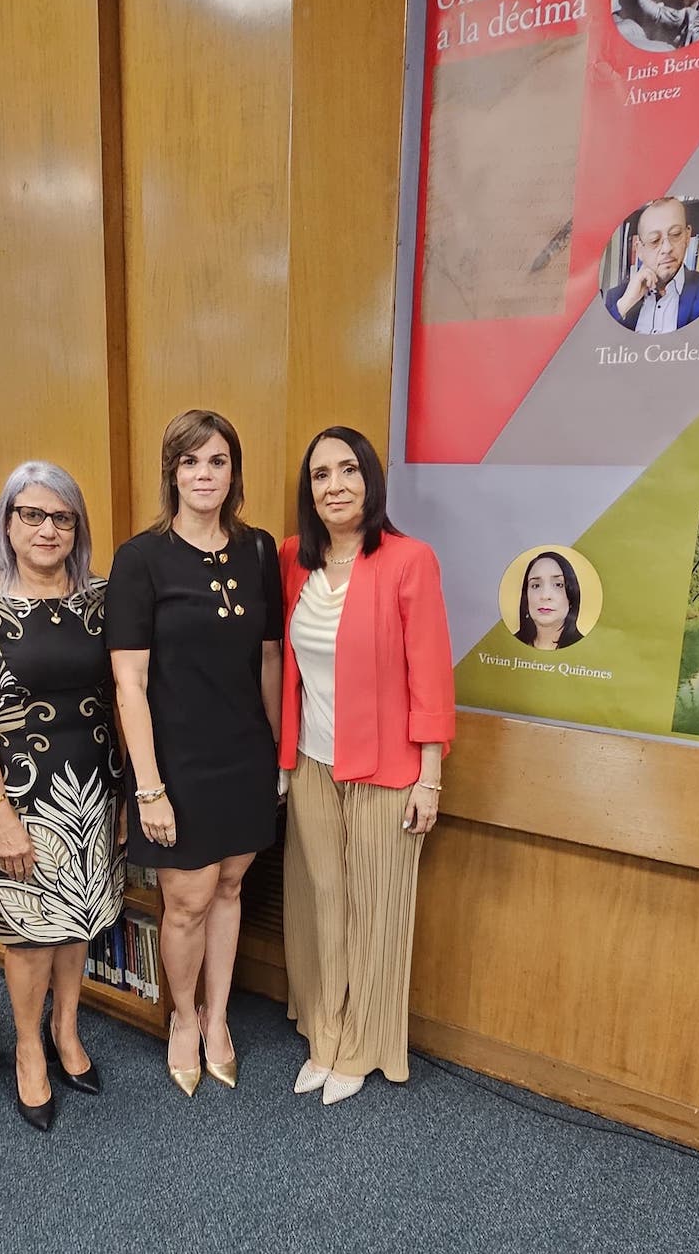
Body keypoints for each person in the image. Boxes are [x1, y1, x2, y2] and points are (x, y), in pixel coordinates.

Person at [107, 410, 282, 1098]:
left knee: (232, 887)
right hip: (175, 763)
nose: (204, 475)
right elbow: (129, 681)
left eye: (217, 461)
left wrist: (277, 756)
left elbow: (269, 658)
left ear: (233, 472)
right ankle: (184, 1018)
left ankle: (220, 1020)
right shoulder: (141, 558)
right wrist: (147, 787)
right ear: (171, 472)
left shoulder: (260, 550)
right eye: (190, 462)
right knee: (184, 902)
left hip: (245, 754)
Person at [278, 427, 454, 1105]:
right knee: (321, 901)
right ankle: (324, 1032)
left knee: (373, 909)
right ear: (309, 490)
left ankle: (362, 1046)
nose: (335, 486)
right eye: (320, 475)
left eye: (348, 470)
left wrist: (429, 776)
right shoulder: (295, 557)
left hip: (389, 769)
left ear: (370, 480)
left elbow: (430, 676)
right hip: (312, 761)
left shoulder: (409, 561)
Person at [0, 462, 124, 1132]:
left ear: (76, 526)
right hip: (21, 797)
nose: (47, 528)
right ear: (9, 522)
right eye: (32, 514)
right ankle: (29, 1049)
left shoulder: (101, 598)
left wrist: (129, 795)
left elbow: (122, 693)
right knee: (29, 934)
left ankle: (67, 1031)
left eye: (62, 517)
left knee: (79, 919)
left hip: (93, 789)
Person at [603, 197, 699, 333]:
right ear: (639, 249)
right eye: (654, 240)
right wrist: (624, 304)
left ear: (687, 236)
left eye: (675, 234)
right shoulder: (616, 299)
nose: (667, 248)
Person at [514, 550, 584, 650]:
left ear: (571, 596)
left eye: (558, 585)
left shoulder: (587, 650)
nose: (545, 596)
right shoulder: (506, 645)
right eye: (536, 585)